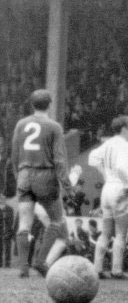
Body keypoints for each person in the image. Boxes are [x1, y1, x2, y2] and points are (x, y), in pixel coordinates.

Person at [11, 89, 76, 278]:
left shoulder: (21, 124)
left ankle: (23, 267)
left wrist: (19, 175)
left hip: (24, 174)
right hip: (45, 176)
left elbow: (14, 154)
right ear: (50, 104)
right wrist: (67, 185)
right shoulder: (54, 126)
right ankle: (40, 261)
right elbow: (59, 159)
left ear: (32, 105)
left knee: (24, 223)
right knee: (56, 220)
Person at [88, 115, 128, 279]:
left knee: (105, 233)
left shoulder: (107, 142)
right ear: (123, 128)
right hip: (120, 187)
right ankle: (116, 270)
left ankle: (97, 268)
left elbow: (92, 159)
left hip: (107, 189)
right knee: (121, 233)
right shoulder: (125, 145)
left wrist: (105, 176)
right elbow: (122, 168)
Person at [0, 194, 14, 268]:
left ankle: (7, 264)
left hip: (7, 232)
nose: (1, 199)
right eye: (0, 198)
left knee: (8, 248)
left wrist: (9, 232)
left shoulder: (10, 209)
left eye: (3, 198)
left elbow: (11, 221)